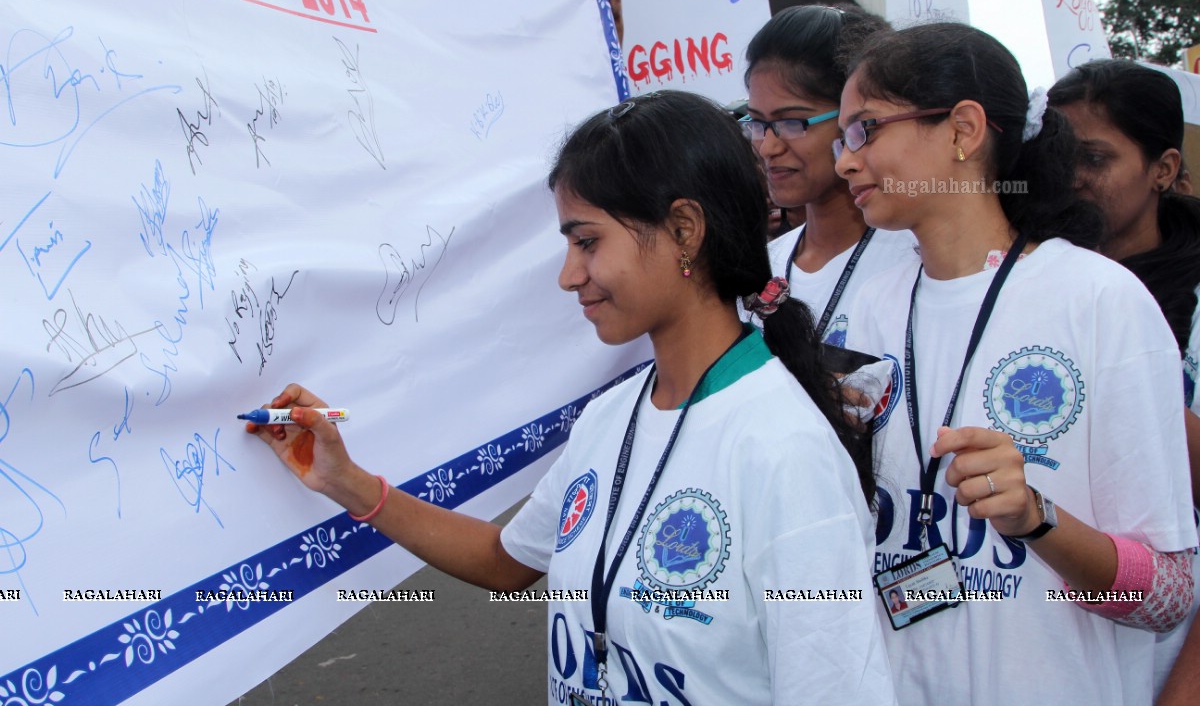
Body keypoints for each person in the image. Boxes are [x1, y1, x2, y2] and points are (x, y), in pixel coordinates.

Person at [248, 90, 896, 705]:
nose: (568, 276)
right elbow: (505, 561)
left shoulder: (786, 452)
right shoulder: (610, 419)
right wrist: (347, 481)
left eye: (587, 241)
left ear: (684, 231)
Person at [835, 22, 1196, 706]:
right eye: (841, 138)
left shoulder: (1100, 302)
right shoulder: (867, 310)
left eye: (866, 130)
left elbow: (1169, 596)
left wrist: (1037, 519)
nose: (846, 161)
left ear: (963, 129)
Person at [1047, 60, 1200, 704]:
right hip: (1045, 624)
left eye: (1095, 158)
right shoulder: (1029, 279)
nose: (1071, 180)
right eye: (1057, 157)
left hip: (1163, 638)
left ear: (1163, 170)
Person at [741, 4, 914, 348]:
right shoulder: (762, 267)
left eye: (792, 122)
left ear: (856, 117)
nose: (767, 147)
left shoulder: (915, 260)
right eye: (757, 124)